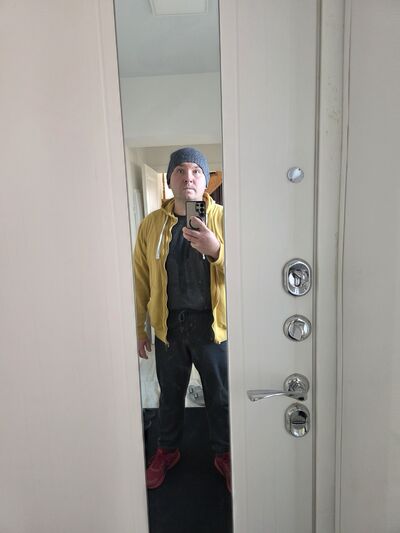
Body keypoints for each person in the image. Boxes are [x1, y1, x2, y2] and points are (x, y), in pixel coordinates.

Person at [133, 147, 231, 492]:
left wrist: (216, 250)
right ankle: (167, 450)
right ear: (170, 179)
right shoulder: (151, 225)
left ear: (205, 180)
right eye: (180, 170)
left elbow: (248, 268)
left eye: (196, 171)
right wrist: (139, 328)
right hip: (169, 326)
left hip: (212, 326)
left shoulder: (224, 218)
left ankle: (225, 453)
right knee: (170, 394)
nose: (188, 177)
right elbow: (140, 279)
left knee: (220, 395)